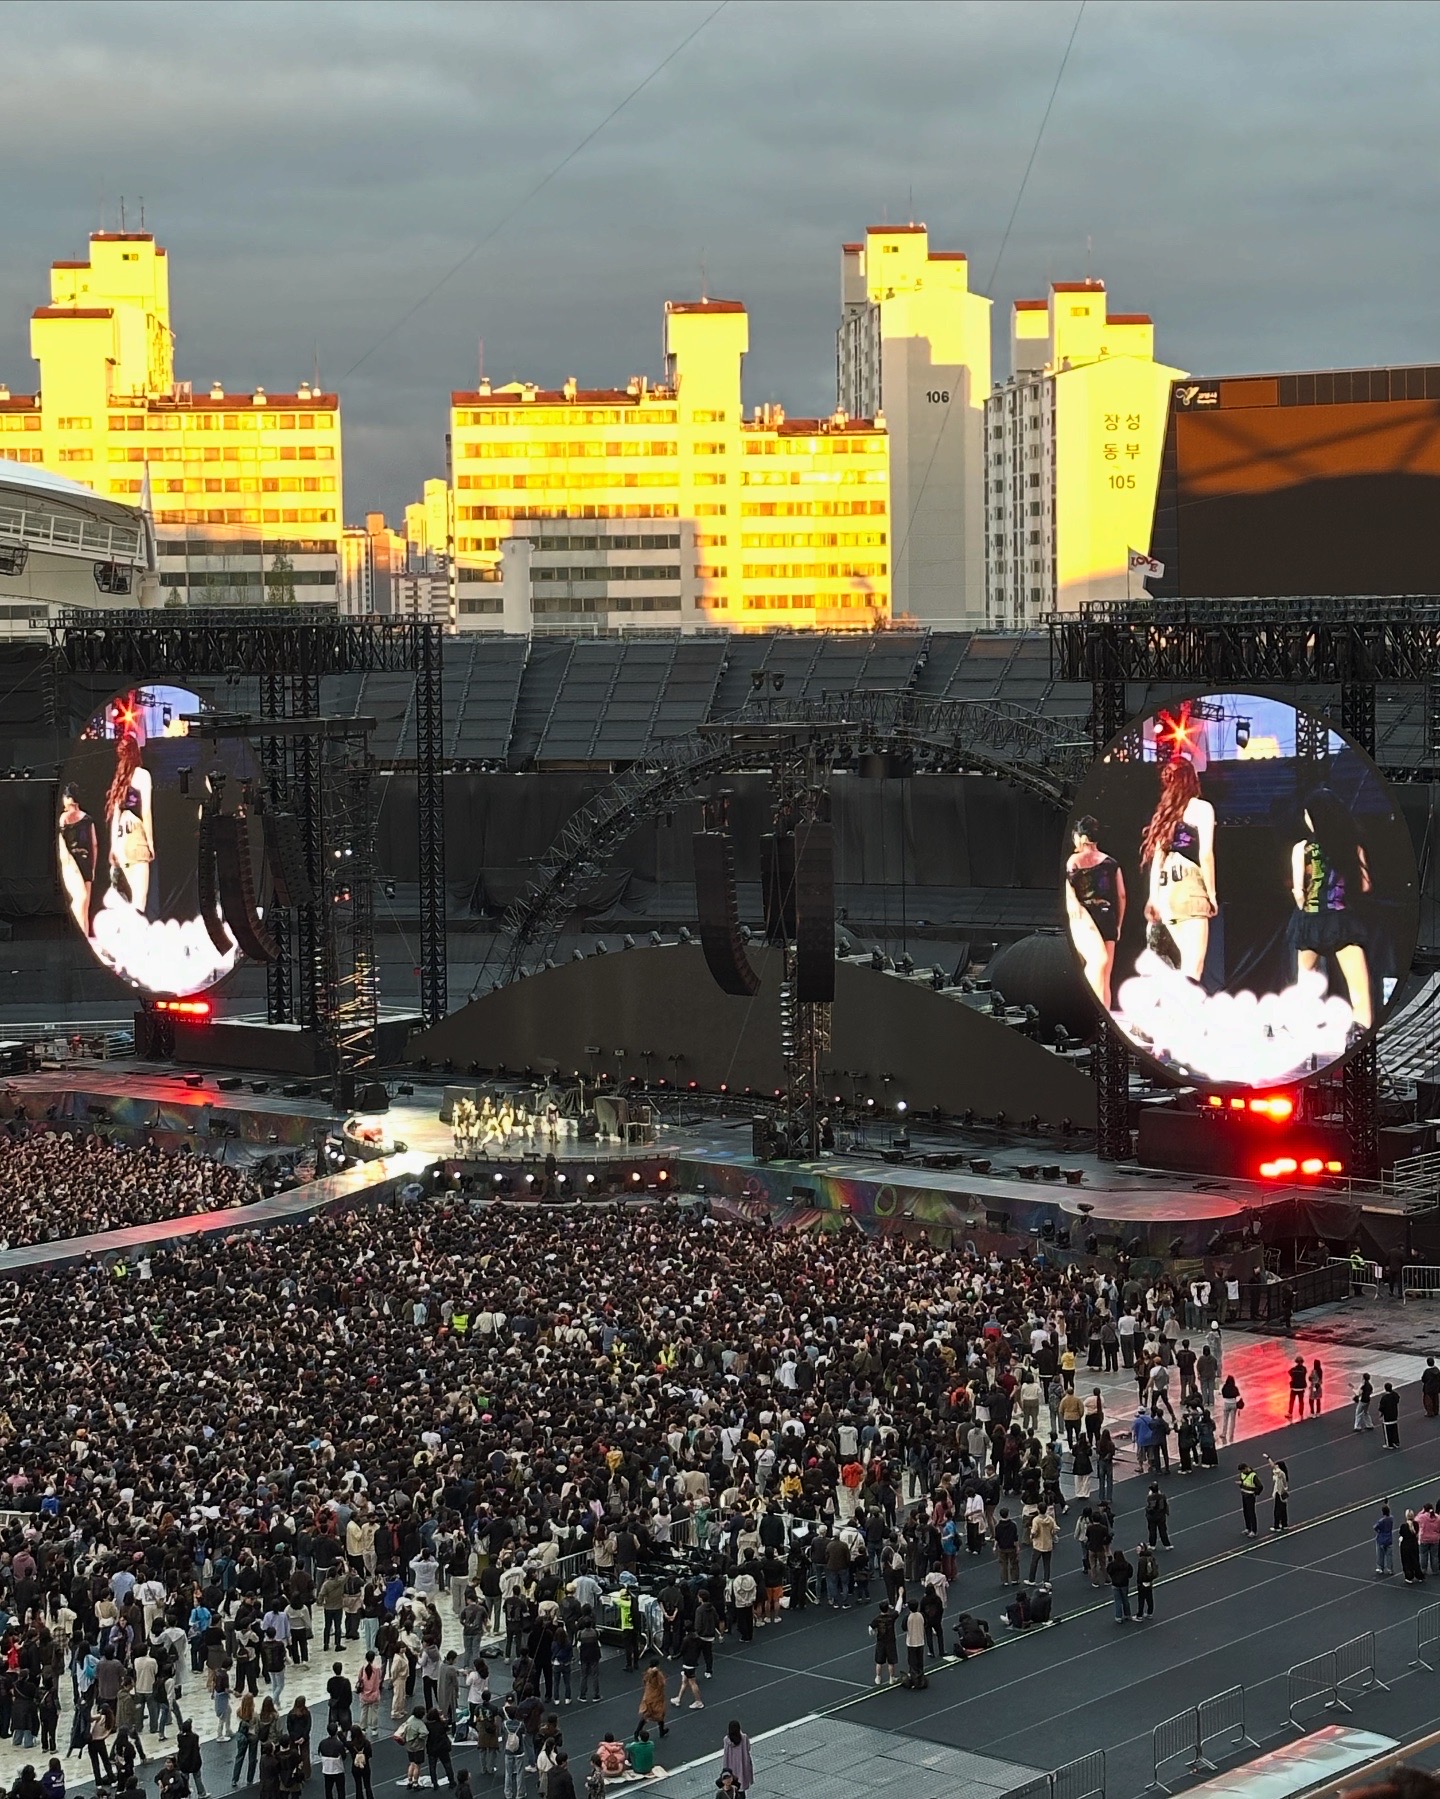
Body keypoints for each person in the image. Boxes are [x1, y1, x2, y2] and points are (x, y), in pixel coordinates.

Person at [1290, 786, 1373, 1032]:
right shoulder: (1351, 845)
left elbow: (1298, 892)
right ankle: (1362, 1037)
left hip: (1310, 920)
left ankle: (1305, 1033)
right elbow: (1366, 886)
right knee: (1358, 990)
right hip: (1341, 919)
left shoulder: (1301, 849)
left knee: (1306, 984)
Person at [1142, 756, 1217, 982]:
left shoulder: (1166, 814)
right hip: (1189, 888)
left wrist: (1153, 898)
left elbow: (1157, 859)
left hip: (1166, 893)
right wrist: (1212, 894)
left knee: (1184, 962)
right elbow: (1206, 854)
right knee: (1193, 967)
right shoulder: (1202, 808)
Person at [1065, 816, 1127, 1009]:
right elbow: (1122, 896)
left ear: (1081, 837)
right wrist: (1118, 925)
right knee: (1104, 972)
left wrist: (1073, 902)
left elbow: (1067, 885)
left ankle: (1093, 1010)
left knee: (1098, 964)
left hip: (1085, 915)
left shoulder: (1074, 861)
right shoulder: (1111, 863)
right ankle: (1101, 1014)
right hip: (1107, 915)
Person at [105, 731, 155, 915]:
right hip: (136, 837)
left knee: (129, 898)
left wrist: (113, 847)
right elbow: (146, 812)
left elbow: (115, 816)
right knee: (139, 901)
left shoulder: (120, 779)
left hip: (120, 841)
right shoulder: (143, 775)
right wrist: (150, 843)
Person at [57, 785, 98, 937]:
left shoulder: (64, 818)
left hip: (71, 860)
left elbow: (61, 842)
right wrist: (93, 867)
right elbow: (94, 844)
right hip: (86, 861)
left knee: (81, 900)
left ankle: (80, 936)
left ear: (68, 798)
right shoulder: (88, 819)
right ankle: (83, 935)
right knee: (84, 903)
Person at [637, 1662, 668, 1742]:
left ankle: (637, 1732)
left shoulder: (647, 1674)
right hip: (656, 1697)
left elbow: (645, 1681)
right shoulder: (658, 1675)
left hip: (648, 1696)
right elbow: (662, 1684)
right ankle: (661, 1731)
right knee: (660, 1714)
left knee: (646, 1715)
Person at [721, 1722, 753, 1797]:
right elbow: (748, 1748)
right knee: (741, 1790)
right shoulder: (744, 1738)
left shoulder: (726, 1740)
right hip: (742, 1766)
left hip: (731, 1768)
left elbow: (726, 1753)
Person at [903, 1601, 926, 1687]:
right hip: (920, 1640)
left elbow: (904, 1627)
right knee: (920, 1661)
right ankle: (921, 1678)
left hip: (911, 1642)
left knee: (912, 1662)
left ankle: (914, 1679)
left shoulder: (908, 1617)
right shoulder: (921, 1615)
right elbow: (926, 1623)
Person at [1107, 1548, 1133, 1623]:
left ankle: (1118, 1617)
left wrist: (1113, 1578)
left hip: (1115, 1584)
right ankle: (1127, 1614)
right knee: (1125, 1600)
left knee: (1118, 1601)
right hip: (1124, 1584)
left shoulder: (1112, 1565)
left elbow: (1109, 1571)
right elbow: (1130, 1574)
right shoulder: (1127, 1565)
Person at [1144, 1483, 1172, 1550]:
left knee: (1152, 1531)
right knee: (1163, 1531)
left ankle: (1152, 1545)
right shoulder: (1162, 1496)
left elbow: (1150, 1506)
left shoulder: (1150, 1497)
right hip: (1161, 1516)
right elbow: (1166, 1504)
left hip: (1152, 1517)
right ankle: (1167, 1545)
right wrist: (1167, 1512)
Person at [1267, 1456, 1291, 1532]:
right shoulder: (1281, 1474)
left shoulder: (1281, 1473)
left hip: (1279, 1493)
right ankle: (1284, 1524)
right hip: (1283, 1493)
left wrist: (1268, 1458)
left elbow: (1273, 1467)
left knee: (1277, 1510)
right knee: (1283, 1510)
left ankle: (1276, 1526)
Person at [1135, 1544, 1158, 1620]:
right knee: (1149, 1597)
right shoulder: (1151, 1558)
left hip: (1143, 1582)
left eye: (1138, 1548)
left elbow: (1140, 1572)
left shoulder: (1142, 1560)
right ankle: (1150, 1613)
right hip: (1149, 1580)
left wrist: (1139, 1582)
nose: (1137, 1550)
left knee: (1141, 1599)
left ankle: (1139, 1615)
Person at [1237, 1464, 1261, 1538]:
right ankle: (1248, 1528)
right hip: (1244, 1494)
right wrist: (1241, 1484)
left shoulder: (1253, 1475)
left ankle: (1254, 1531)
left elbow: (1260, 1486)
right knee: (1245, 1512)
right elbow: (1243, 1482)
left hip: (1250, 1496)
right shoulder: (1242, 1474)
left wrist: (1255, 1493)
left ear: (1246, 1468)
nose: (1242, 1472)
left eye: (1242, 1470)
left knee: (1251, 1513)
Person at [1378, 1382, 1402, 1450]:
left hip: (1387, 1416)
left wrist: (1380, 1415)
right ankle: (1396, 1442)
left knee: (1388, 1430)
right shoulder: (1394, 1395)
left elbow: (1381, 1408)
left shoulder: (1384, 1398)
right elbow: (1397, 1398)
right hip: (1394, 1414)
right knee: (1394, 1429)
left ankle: (1389, 1444)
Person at [1220, 1374, 1241, 1446]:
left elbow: (1223, 1394)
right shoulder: (1235, 1388)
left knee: (1225, 1419)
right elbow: (1238, 1395)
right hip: (1233, 1404)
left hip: (1226, 1404)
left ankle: (1224, 1433)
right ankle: (1231, 1435)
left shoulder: (1225, 1387)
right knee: (1232, 1421)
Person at [1286, 1356, 1308, 1422]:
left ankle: (1290, 1413)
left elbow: (1289, 1372)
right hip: (1301, 1388)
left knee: (1292, 1401)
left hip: (1294, 1388)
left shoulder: (1293, 1369)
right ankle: (1301, 1415)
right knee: (1301, 1401)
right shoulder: (1304, 1369)